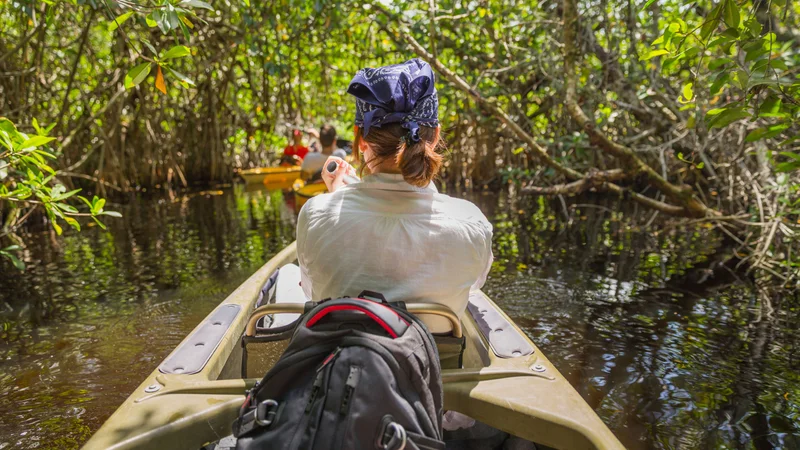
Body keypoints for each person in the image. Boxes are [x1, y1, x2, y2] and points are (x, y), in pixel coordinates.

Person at [296, 59, 493, 333]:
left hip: (344, 364)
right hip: (435, 365)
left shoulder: (315, 213)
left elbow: (311, 290)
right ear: (434, 136)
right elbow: (472, 286)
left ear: (360, 138)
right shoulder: (471, 221)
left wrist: (334, 199)